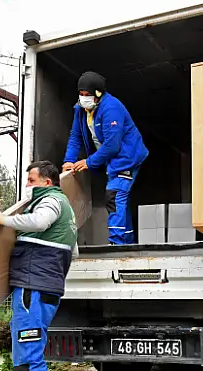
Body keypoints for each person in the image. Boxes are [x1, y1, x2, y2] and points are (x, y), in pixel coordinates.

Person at [0, 160, 78, 371]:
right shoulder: (66, 209)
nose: (27, 185)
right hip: (44, 289)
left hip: (33, 290)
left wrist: (3, 219)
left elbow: (39, 222)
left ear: (47, 182)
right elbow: (74, 251)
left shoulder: (51, 201)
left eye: (31, 180)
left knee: (28, 358)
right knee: (26, 355)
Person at [62, 71, 149, 245]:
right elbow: (75, 136)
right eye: (81, 94)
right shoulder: (80, 109)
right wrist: (68, 160)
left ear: (99, 94)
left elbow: (112, 145)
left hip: (126, 157)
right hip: (112, 159)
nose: (84, 98)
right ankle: (127, 242)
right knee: (119, 198)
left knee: (114, 195)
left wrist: (89, 162)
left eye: (88, 95)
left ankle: (117, 244)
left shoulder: (111, 108)